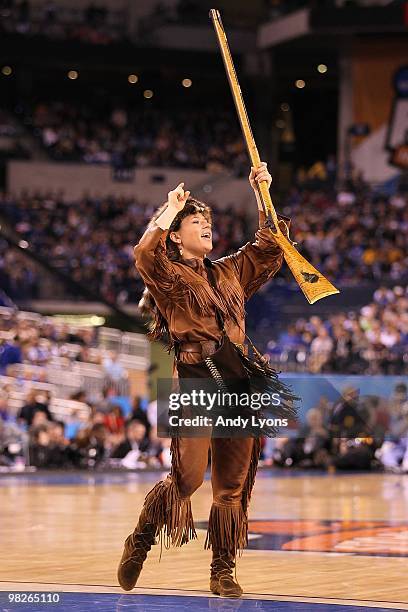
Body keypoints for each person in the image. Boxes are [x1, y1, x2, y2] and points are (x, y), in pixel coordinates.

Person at [117, 162, 290, 598]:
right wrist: (166, 210)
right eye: (197, 222)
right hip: (195, 378)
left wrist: (261, 192)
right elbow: (143, 254)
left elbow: (271, 247)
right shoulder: (168, 277)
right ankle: (142, 535)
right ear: (176, 234)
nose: (207, 227)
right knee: (187, 479)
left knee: (232, 485)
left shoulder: (230, 272)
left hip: (239, 380)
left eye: (209, 222)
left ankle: (223, 568)